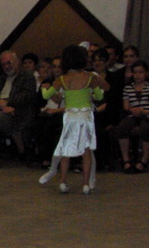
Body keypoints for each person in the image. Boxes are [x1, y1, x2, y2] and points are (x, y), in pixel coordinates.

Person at [39, 45, 104, 194]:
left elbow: (46, 95)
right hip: (86, 116)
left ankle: (63, 182)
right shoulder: (90, 78)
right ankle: (85, 184)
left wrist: (43, 88)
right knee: (86, 150)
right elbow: (100, 96)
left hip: (70, 117)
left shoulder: (62, 79)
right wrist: (91, 94)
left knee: (66, 149)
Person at [115, 61, 149, 173]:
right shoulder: (128, 88)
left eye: (140, 72)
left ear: (146, 73)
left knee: (147, 128)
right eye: (135, 72)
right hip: (133, 115)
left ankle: (144, 160)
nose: (137, 75)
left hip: (148, 115)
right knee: (122, 127)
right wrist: (132, 110)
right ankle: (126, 160)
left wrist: (146, 111)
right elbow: (126, 106)